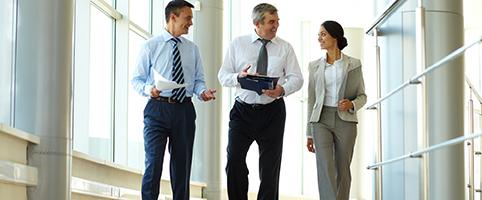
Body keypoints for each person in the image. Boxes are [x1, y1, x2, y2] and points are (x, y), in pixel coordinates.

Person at [130, 1, 216, 199]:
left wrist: (203, 92)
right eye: (188, 18)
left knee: (181, 167)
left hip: (184, 111)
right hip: (157, 109)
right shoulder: (150, 46)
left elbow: (198, 81)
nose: (191, 23)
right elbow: (136, 80)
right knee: (153, 163)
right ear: (173, 17)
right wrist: (148, 89)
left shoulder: (192, 49)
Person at [218, 3, 303, 199]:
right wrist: (239, 77)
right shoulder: (237, 44)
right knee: (234, 160)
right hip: (242, 113)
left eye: (277, 22)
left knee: (270, 167)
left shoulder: (285, 48)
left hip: (272, 112)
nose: (276, 26)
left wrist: (282, 89)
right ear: (257, 23)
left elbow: (297, 78)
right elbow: (222, 76)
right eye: (271, 22)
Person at [306, 20, 366, 200]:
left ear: (335, 37)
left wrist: (351, 104)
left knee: (343, 168)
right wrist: (308, 133)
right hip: (321, 120)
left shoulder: (354, 64)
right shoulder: (314, 66)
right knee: (325, 167)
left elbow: (363, 96)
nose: (319, 38)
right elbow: (311, 100)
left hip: (345, 122)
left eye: (323, 34)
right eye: (319, 35)